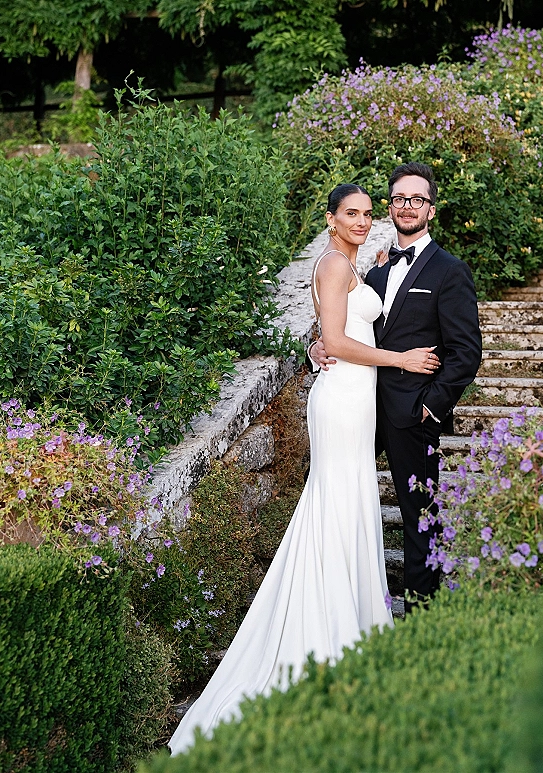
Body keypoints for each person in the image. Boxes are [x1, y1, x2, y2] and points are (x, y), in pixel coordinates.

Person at [168, 183, 440, 755]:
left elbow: (329, 336)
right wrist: (402, 358)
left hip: (350, 394)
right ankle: (329, 634)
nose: (364, 221)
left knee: (344, 502)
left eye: (370, 213)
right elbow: (340, 338)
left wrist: (326, 341)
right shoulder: (336, 266)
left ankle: (351, 626)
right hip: (343, 400)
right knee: (337, 500)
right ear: (331, 218)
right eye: (353, 213)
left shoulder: (350, 264)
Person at [311, 163, 482, 611]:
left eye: (417, 199)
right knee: (340, 497)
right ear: (392, 206)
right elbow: (346, 327)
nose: (407, 206)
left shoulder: (450, 270)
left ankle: (422, 614)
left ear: (431, 208)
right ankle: (335, 602)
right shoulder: (376, 270)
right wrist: (316, 350)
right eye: (400, 199)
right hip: (359, 405)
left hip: (413, 411)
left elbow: (466, 353)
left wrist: (432, 407)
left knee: (418, 514)